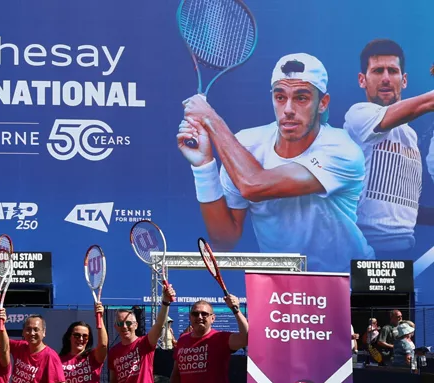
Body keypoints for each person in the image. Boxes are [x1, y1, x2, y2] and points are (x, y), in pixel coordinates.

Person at [178, 53, 370, 272]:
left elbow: (253, 185)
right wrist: (204, 165)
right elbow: (224, 241)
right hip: (280, 289)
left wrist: (210, 118)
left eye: (301, 98)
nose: (288, 109)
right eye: (280, 97)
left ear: (322, 103)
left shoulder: (341, 149)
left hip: (346, 285)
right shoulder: (245, 147)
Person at [345, 39, 434, 256]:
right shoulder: (357, 116)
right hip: (361, 250)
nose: (385, 78)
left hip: (405, 250)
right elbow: (424, 104)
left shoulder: (410, 136)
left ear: (404, 80)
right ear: (362, 80)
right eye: (377, 71)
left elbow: (402, 206)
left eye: (392, 71)